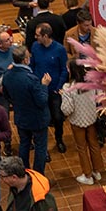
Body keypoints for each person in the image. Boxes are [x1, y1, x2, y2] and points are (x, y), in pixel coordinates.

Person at [1, 43, 52, 173]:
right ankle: (37, 174)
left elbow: (6, 95)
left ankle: (24, 173)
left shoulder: (7, 75)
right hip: (37, 119)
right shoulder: (31, 79)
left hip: (21, 117)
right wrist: (44, 85)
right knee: (40, 147)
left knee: (24, 144)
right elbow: (42, 101)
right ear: (25, 60)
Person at [0, 156, 67, 211]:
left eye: (3, 176)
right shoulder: (15, 187)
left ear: (14, 177)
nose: (2, 180)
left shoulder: (40, 195)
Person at [61, 60, 105, 185]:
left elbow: (67, 109)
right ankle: (97, 171)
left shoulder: (68, 88)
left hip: (77, 121)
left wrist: (62, 97)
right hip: (91, 119)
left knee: (82, 148)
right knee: (94, 144)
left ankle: (87, 175)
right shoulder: (92, 83)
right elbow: (100, 97)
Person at [30, 25, 68, 155]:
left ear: (45, 36)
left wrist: (58, 87)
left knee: (58, 117)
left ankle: (59, 139)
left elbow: (64, 70)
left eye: (37, 35)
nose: (35, 37)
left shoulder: (59, 49)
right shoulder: (35, 46)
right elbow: (32, 65)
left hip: (54, 90)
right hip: (40, 89)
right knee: (41, 119)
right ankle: (42, 147)